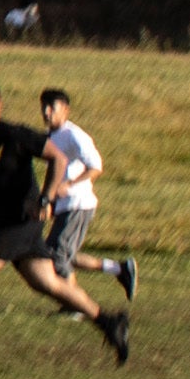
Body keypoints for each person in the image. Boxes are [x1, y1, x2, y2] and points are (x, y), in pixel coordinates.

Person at [0, 75, 129, 368]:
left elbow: (57, 159)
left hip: (20, 216)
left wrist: (46, 198)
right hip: (2, 215)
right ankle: (109, 322)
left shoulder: (15, 135)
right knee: (47, 283)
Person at [37, 85, 133, 300]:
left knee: (57, 254)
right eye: (43, 107)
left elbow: (95, 166)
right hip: (63, 204)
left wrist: (69, 185)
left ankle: (74, 305)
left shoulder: (74, 135)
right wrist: (48, 199)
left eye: (51, 107)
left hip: (78, 203)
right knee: (60, 253)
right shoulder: (49, 137)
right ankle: (119, 269)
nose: (46, 112)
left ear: (65, 110)